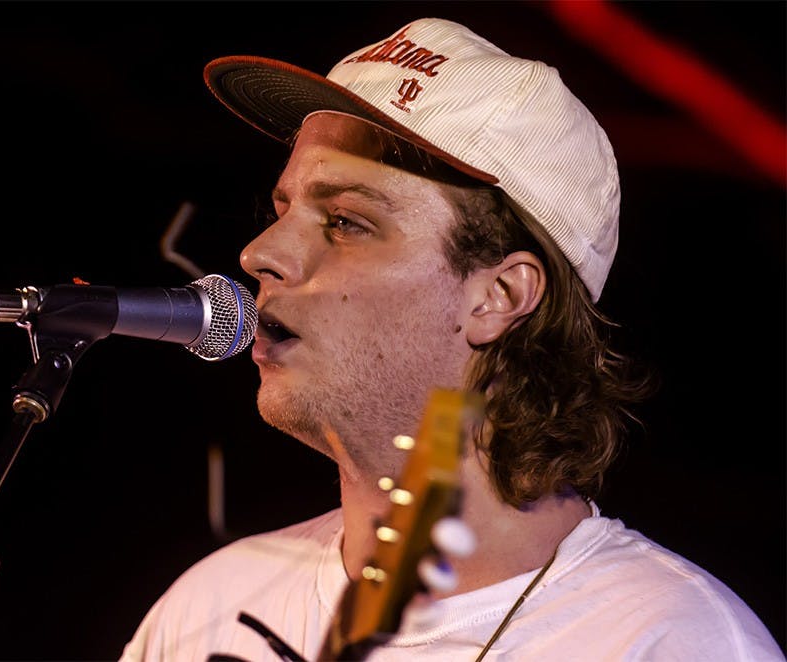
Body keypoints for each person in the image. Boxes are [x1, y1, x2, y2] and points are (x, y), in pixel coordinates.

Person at [120, 17, 783, 662]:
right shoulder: (207, 611)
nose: (260, 252)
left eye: (348, 221)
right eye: (285, 208)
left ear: (501, 297)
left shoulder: (670, 641)